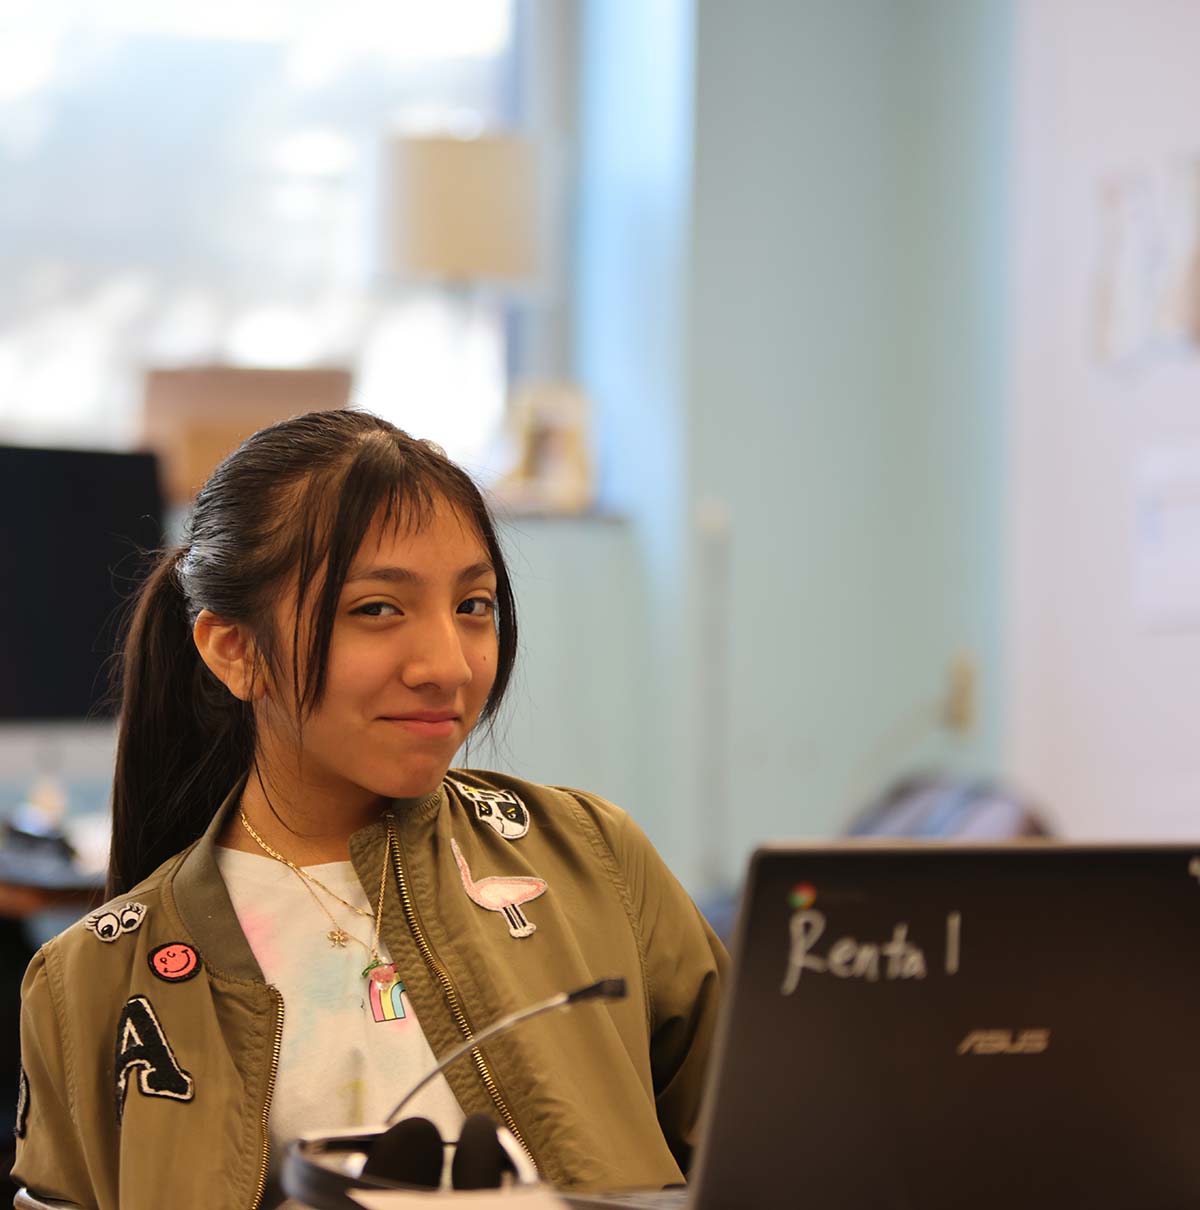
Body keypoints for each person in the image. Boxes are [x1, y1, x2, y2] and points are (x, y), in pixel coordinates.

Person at [11, 410, 727, 1210]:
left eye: (474, 606)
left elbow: (776, 1152)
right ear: (233, 649)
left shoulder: (593, 860)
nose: (447, 666)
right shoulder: (89, 982)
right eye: (378, 609)